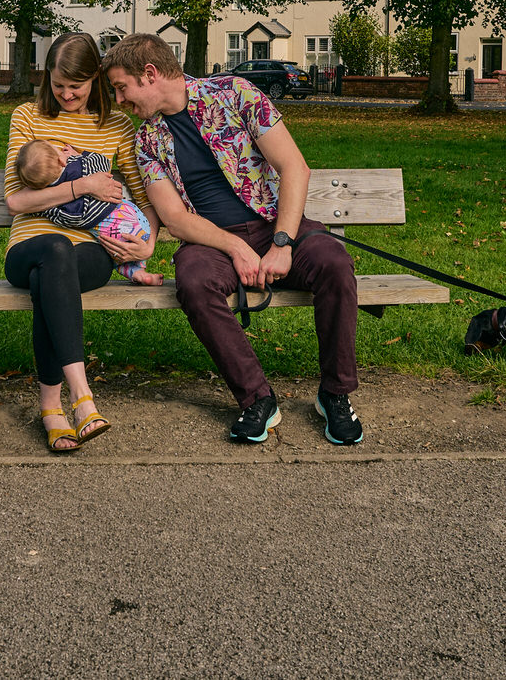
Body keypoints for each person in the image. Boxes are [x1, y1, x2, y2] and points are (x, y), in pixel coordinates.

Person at [101, 33, 363, 446]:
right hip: (211, 243)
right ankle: (257, 399)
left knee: (333, 261)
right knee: (194, 282)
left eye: (121, 88)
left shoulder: (235, 93)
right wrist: (236, 247)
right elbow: (174, 218)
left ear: (149, 75)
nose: (119, 100)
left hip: (276, 225)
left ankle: (336, 392)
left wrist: (282, 242)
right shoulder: (147, 139)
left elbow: (294, 167)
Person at [3, 33, 160, 452]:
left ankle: (51, 409)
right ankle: (82, 398)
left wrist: (148, 245)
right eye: (58, 85)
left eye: (77, 85)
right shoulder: (27, 117)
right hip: (30, 246)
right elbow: (16, 201)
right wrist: (80, 187)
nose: (67, 94)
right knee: (54, 251)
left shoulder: (116, 126)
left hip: (95, 248)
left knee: (54, 274)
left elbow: (145, 199)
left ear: (96, 79)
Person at [13, 139, 165, 286]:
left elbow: (40, 210)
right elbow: (102, 163)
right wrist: (79, 155)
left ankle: (138, 273)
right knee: (122, 248)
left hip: (107, 234)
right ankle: (141, 268)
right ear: (61, 160)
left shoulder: (53, 202)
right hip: (128, 217)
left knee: (115, 257)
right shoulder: (80, 166)